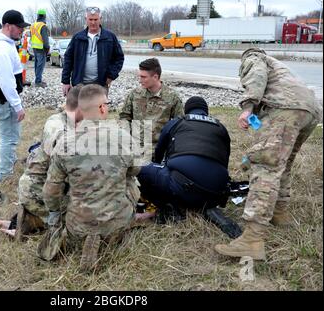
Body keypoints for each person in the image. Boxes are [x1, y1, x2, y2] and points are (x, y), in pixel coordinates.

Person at [215, 48, 322, 260]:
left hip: (285, 108)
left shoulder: (253, 57)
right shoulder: (280, 68)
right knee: (283, 164)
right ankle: (279, 213)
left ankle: (252, 239)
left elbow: (257, 76)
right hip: (310, 111)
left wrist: (247, 107)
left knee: (266, 166)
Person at [41, 84, 140, 272]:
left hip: (76, 228)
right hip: (118, 225)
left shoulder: (65, 143)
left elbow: (51, 191)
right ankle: (110, 232)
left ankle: (85, 235)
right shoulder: (124, 137)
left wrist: (55, 214)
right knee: (131, 182)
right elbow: (135, 171)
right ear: (102, 107)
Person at [0, 86, 84, 238]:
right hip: (37, 190)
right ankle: (22, 230)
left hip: (46, 187)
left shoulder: (72, 121)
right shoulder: (57, 127)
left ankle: (18, 224)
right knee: (83, 220)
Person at [137, 96, 241, 237]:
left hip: (181, 185)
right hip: (216, 192)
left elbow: (159, 154)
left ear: (187, 110)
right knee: (196, 185)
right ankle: (204, 207)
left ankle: (169, 208)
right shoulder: (221, 128)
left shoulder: (177, 122)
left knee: (139, 168)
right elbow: (224, 161)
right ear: (206, 111)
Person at [0, 10, 30, 182]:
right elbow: (5, 82)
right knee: (9, 138)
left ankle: (9, 164)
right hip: (4, 100)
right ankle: (5, 176)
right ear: (8, 26)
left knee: (11, 135)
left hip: (4, 98)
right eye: (19, 27)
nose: (21, 31)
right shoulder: (1, 49)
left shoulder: (5, 42)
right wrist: (17, 106)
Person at [119, 58, 184, 160]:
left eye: (143, 77)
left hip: (159, 149)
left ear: (155, 77)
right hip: (135, 147)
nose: (140, 80)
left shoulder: (172, 97)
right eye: (139, 76)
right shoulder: (134, 94)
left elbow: (179, 124)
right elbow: (124, 117)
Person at [61, 6, 124, 96]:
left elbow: (119, 57)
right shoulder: (78, 37)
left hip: (101, 84)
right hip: (79, 84)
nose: (93, 22)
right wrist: (65, 81)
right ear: (86, 19)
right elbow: (68, 59)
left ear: (100, 19)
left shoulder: (110, 37)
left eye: (95, 19)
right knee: (80, 109)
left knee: (99, 110)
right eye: (90, 19)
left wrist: (111, 75)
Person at [30, 9, 50, 87]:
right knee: (40, 65)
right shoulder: (43, 26)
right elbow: (45, 39)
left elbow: (32, 36)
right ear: (44, 16)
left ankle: (38, 80)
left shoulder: (33, 25)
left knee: (37, 64)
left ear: (38, 16)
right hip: (41, 48)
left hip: (34, 47)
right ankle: (38, 81)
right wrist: (47, 48)